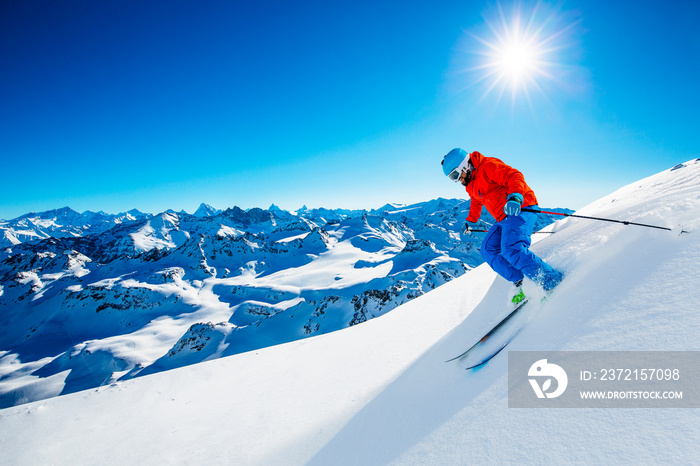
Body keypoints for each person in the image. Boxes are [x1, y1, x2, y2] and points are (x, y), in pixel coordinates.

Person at [441, 148, 563, 302]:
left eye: (455, 175)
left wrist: (515, 197)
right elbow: (476, 201)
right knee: (488, 250)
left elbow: (514, 176)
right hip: (503, 217)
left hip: (522, 207)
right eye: (452, 178)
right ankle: (522, 282)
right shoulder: (470, 184)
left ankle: (551, 282)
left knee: (511, 249)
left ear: (464, 166)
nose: (457, 180)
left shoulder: (488, 166)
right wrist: (470, 220)